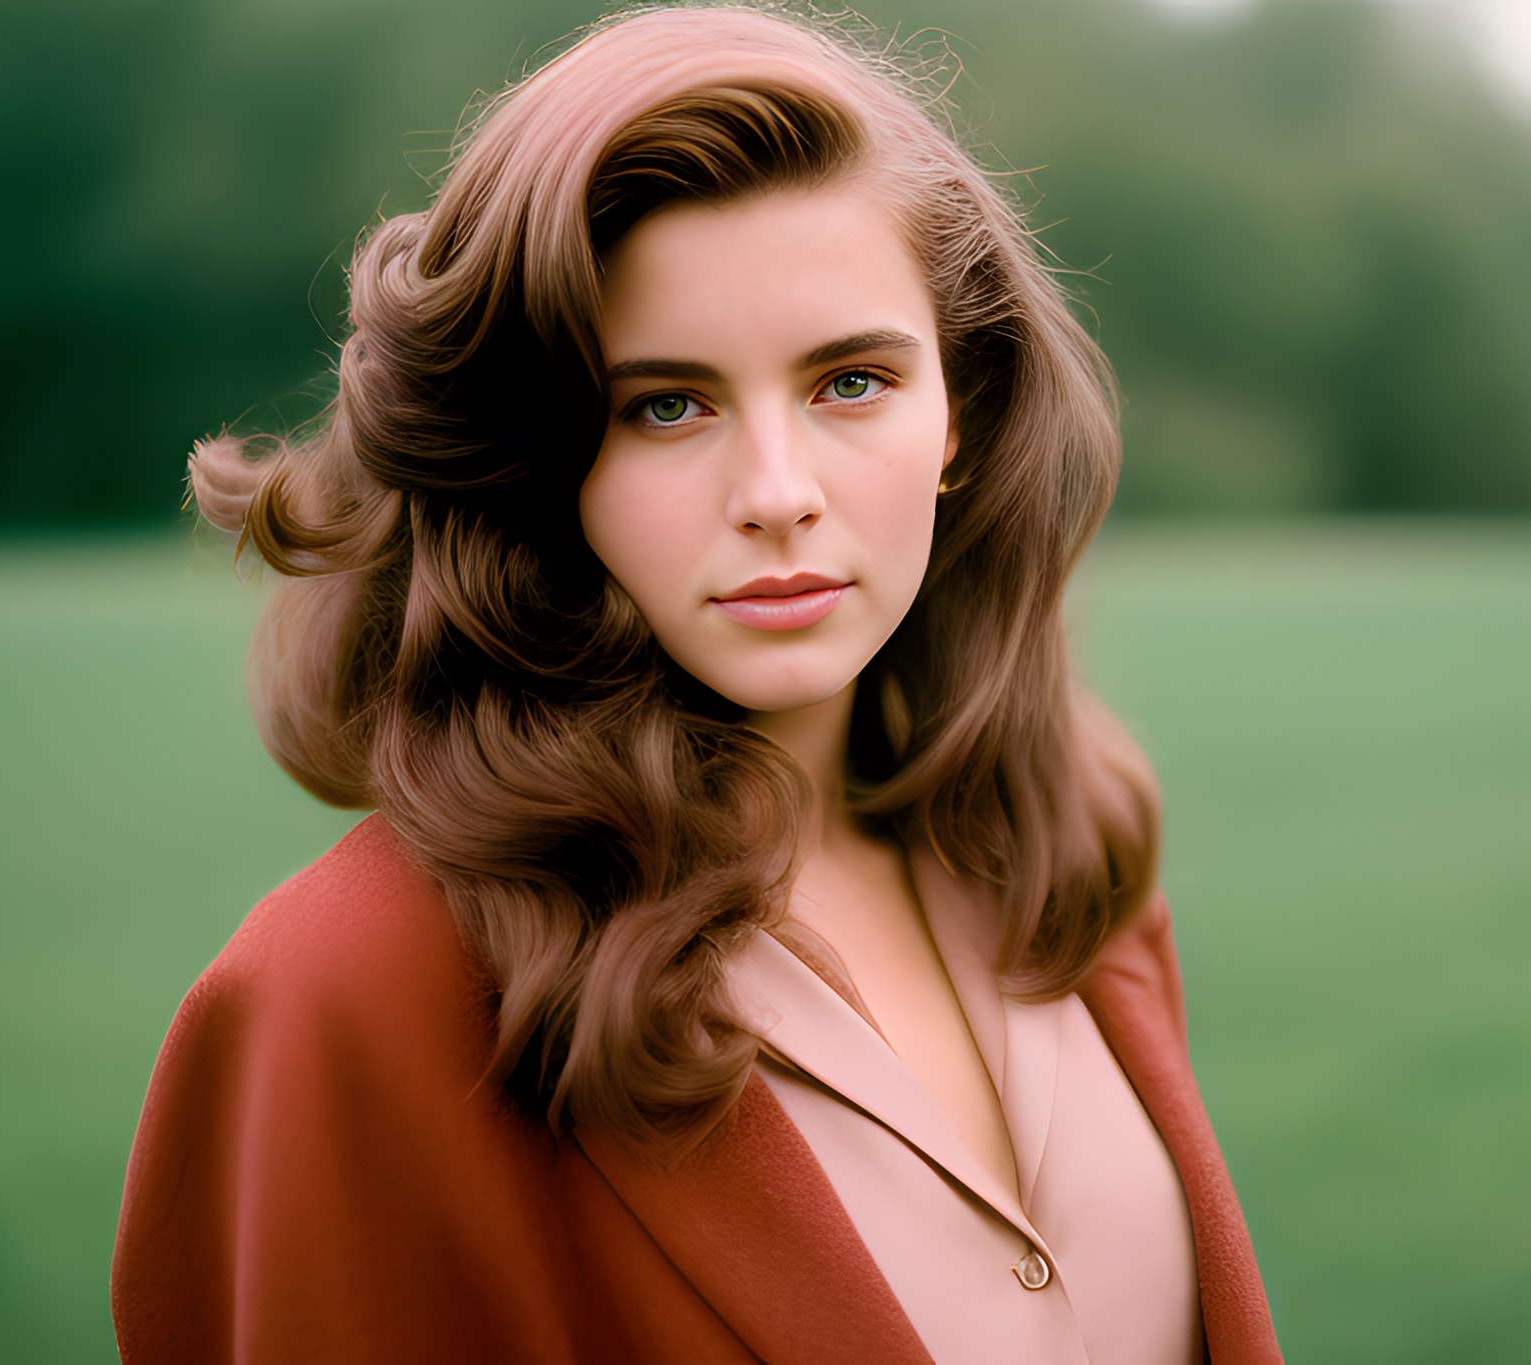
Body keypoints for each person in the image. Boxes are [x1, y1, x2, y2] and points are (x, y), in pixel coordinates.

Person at [111, 4, 1280, 1361]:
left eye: (850, 381)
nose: (778, 496)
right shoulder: (347, 992)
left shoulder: (1069, 849)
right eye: (665, 403)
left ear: (961, 411)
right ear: (542, 460)